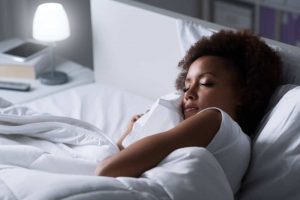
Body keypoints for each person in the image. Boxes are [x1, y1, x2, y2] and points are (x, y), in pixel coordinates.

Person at [95, 30, 281, 193]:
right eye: (186, 87)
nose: (188, 94)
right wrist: (130, 131)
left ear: (243, 93)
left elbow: (107, 169)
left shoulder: (213, 119)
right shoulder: (238, 143)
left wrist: (130, 136)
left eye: (205, 83)